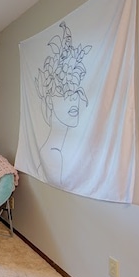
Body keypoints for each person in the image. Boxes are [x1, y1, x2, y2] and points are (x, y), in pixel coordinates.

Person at [34, 22, 91, 185]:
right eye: (65, 92)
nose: (74, 99)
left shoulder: (65, 150)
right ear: (49, 100)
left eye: (76, 92)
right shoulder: (54, 153)